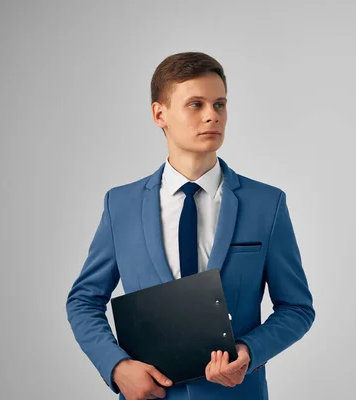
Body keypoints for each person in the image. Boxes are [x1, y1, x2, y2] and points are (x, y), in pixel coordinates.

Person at [65, 51, 315, 400]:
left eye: (220, 104)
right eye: (195, 104)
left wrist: (248, 351)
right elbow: (84, 300)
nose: (212, 115)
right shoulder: (120, 205)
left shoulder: (266, 204)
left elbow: (297, 307)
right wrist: (117, 367)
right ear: (159, 114)